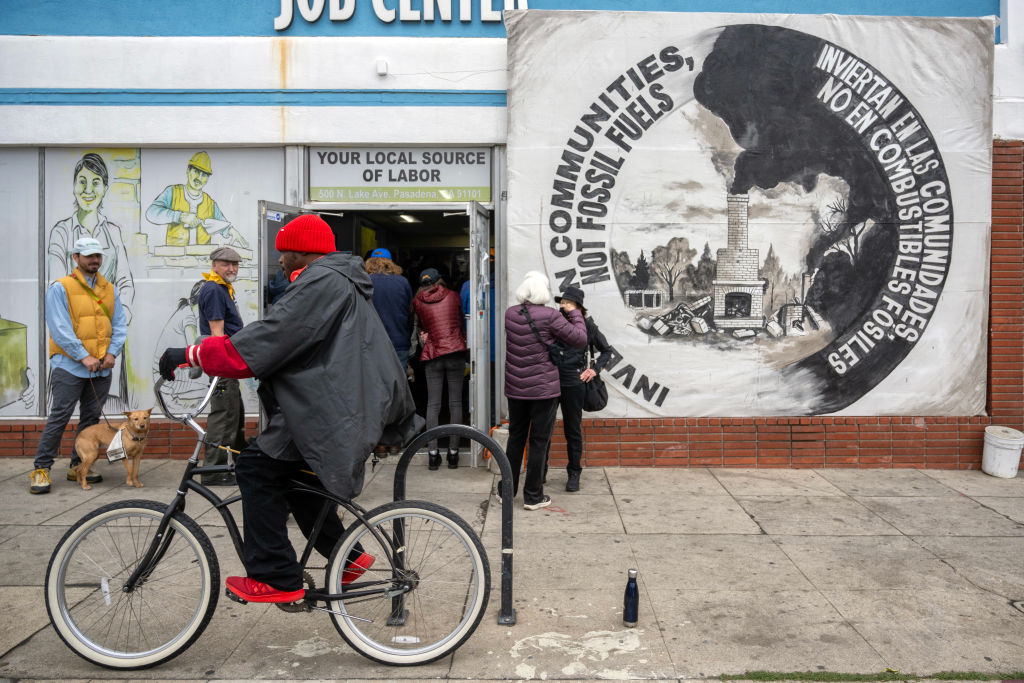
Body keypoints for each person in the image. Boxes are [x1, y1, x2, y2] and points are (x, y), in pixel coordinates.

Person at [159, 213, 420, 604]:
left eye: (283, 252)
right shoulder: (335, 278)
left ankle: (276, 577)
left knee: (256, 467)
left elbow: (271, 339)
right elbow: (287, 338)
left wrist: (194, 353)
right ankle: (348, 558)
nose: (279, 260)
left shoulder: (320, 282)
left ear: (301, 252)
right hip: (336, 401)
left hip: (328, 407)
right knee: (297, 476)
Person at [30, 237, 128, 494]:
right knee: (60, 417)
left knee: (90, 419)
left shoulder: (110, 288)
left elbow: (119, 325)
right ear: (76, 258)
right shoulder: (60, 287)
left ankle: (78, 465)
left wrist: (112, 353)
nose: (94, 260)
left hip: (101, 367)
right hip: (69, 366)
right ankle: (41, 469)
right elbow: (60, 329)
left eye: (98, 256)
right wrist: (83, 356)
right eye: (88, 256)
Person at [47, 152, 134, 413]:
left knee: (96, 415)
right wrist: (81, 350)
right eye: (82, 181)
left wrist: (113, 332)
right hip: (72, 356)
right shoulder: (61, 231)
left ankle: (81, 456)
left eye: (96, 182)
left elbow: (126, 283)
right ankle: (46, 457)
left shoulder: (114, 232)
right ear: (74, 187)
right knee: (60, 415)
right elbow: (58, 288)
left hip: (105, 350)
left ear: (105, 187)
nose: (88, 189)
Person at [502, 271, 587, 510]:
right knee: (539, 441)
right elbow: (579, 338)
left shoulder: (510, 314)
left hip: (516, 389)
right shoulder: (550, 316)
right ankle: (533, 496)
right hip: (543, 391)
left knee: (516, 439)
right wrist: (575, 313)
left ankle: (506, 491)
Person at [547, 286, 613, 492]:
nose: (562, 305)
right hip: (549, 382)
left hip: (574, 384)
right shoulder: (552, 322)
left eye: (567, 302)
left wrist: (593, 370)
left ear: (578, 307)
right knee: (543, 430)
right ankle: (539, 473)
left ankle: (574, 473)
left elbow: (606, 351)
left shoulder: (587, 326)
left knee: (572, 431)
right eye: (562, 302)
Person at [195, 246, 247, 486]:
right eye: (226, 264)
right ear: (214, 264)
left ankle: (240, 464)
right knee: (223, 416)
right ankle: (213, 472)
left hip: (226, 363)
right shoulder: (215, 290)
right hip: (222, 364)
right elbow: (217, 334)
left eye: (235, 264)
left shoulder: (221, 288)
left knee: (234, 414)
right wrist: (226, 364)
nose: (231, 268)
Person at [412, 268, 468, 470]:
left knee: (433, 405)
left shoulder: (418, 302)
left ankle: (433, 454)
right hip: (455, 353)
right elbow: (462, 321)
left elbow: (422, 328)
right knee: (455, 403)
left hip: (433, 354)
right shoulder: (453, 296)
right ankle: (454, 453)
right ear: (439, 280)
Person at [145, 151, 246, 247]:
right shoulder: (173, 192)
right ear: (188, 171)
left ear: (207, 179)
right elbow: (151, 213)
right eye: (196, 171)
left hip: (203, 260)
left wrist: (232, 231)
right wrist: (179, 216)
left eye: (204, 175)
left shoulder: (210, 203)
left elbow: (222, 224)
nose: (199, 178)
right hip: (175, 258)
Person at [365, 248, 413, 372]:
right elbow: (410, 312)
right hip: (399, 340)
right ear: (391, 263)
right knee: (399, 384)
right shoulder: (402, 282)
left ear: (369, 262)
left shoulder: (364, 282)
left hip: (371, 341)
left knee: (374, 383)